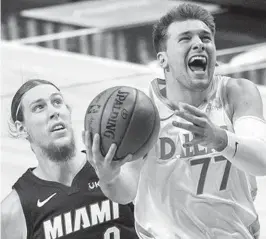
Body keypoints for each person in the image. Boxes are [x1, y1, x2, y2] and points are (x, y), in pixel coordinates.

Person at [84, 3, 266, 239]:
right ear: (163, 59)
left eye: (205, 37)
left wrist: (220, 139)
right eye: (185, 38)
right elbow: (126, 191)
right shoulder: (142, 112)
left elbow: (262, 161)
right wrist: (109, 178)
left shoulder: (236, 93)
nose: (199, 43)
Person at [1, 79, 139, 239]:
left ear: (68, 111)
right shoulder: (13, 211)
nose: (53, 111)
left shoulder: (114, 164)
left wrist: (112, 178)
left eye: (57, 101)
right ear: (21, 128)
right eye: (39, 107)